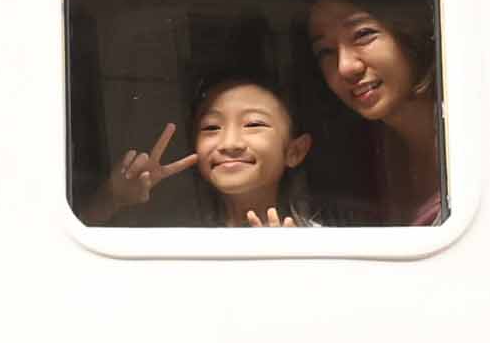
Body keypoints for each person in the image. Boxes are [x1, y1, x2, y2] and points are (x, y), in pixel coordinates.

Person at [86, 72, 321, 228]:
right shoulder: (181, 233)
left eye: (253, 124)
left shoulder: (324, 241)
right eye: (211, 127)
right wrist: (113, 198)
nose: (229, 143)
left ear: (295, 151)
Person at [307, 0, 445, 226]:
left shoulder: (470, 141)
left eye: (363, 34)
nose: (345, 67)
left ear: (410, 31)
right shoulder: (361, 150)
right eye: (326, 51)